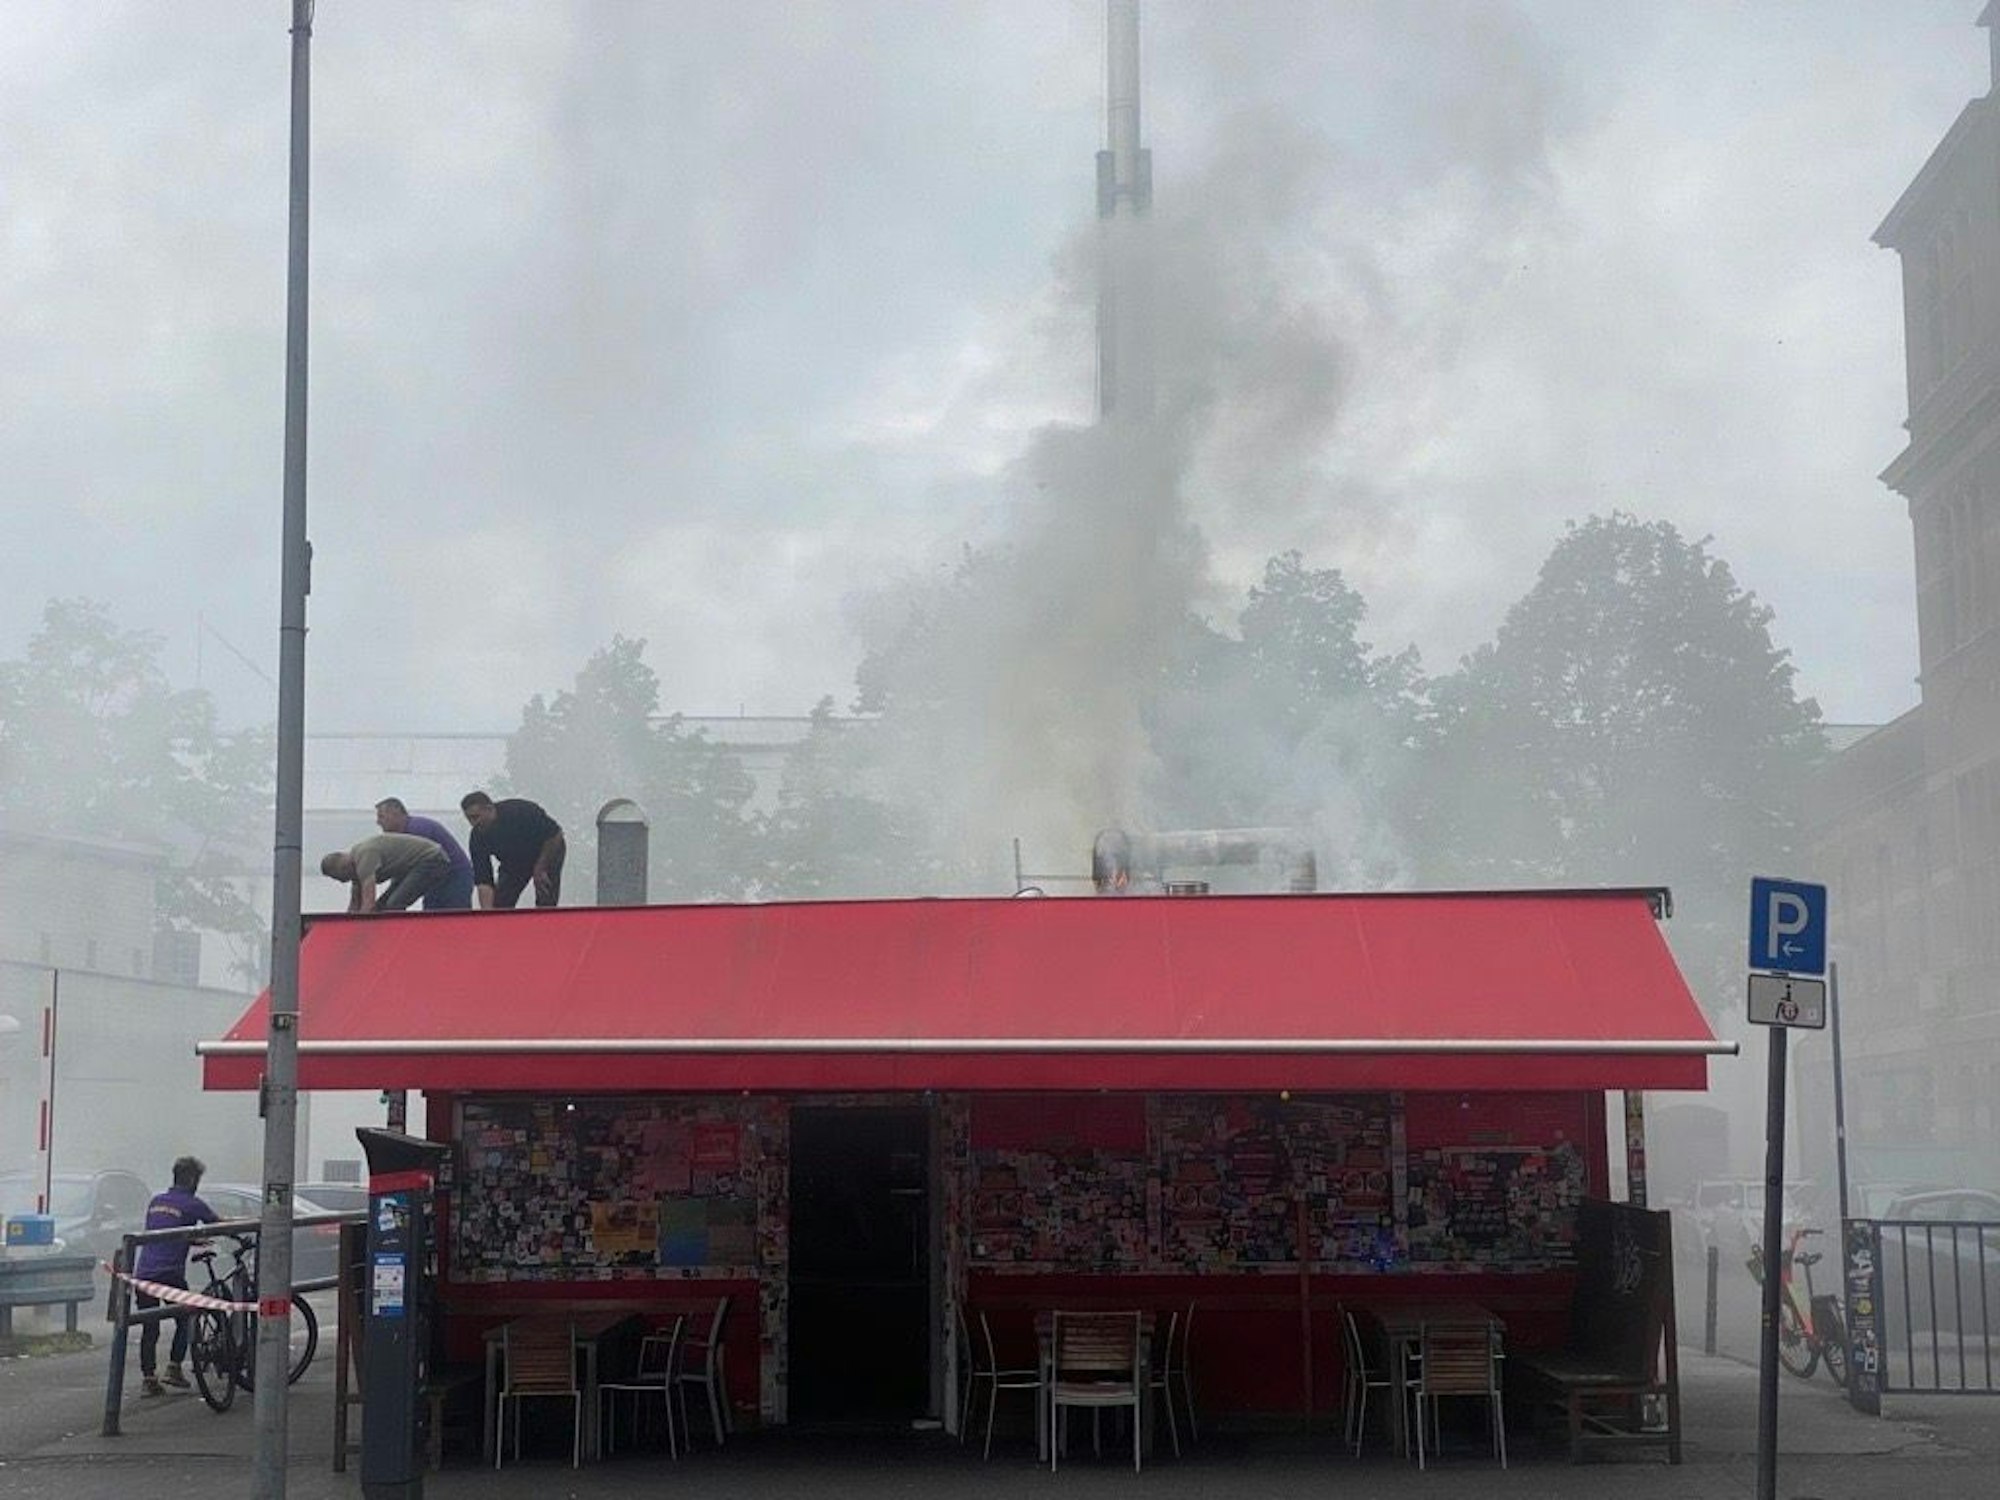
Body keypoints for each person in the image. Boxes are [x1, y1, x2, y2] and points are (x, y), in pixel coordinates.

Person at [133, 1155, 218, 1397]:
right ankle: (174, 1366)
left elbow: (164, 1231)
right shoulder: (193, 1203)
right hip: (169, 1273)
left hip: (145, 1272)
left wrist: (189, 1239)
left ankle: (148, 1378)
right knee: (187, 1317)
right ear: (192, 1179)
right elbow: (219, 1223)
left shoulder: (156, 1201)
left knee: (151, 1326)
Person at [460, 790, 566, 908]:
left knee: (546, 896)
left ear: (489, 809)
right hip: (514, 862)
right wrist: (487, 915)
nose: (473, 823)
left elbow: (555, 834)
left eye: (476, 817)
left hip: (547, 849)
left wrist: (540, 867)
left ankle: (545, 922)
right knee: (501, 902)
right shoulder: (477, 837)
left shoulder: (519, 811)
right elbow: (484, 881)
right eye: (469, 819)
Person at [373, 796, 475, 910]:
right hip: (434, 880)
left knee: (454, 916)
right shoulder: (402, 836)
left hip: (455, 876)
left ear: (396, 812)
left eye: (381, 816)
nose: (378, 822)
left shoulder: (418, 829)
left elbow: (409, 874)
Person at [319, 831, 452, 912]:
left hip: (432, 859)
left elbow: (368, 903)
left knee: (394, 904)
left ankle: (396, 935)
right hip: (408, 868)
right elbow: (355, 904)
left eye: (339, 878)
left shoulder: (365, 857)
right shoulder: (354, 869)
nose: (342, 882)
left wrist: (360, 930)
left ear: (343, 868)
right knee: (381, 907)